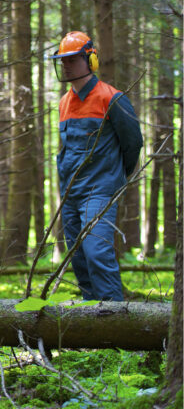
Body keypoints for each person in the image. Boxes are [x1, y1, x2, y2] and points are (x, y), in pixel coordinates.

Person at [51, 31, 142, 301]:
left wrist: (114, 177)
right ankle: (92, 323)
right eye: (63, 60)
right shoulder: (64, 102)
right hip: (70, 192)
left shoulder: (111, 98)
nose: (66, 65)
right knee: (77, 255)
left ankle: (114, 318)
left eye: (72, 59)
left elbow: (133, 143)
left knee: (96, 251)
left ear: (90, 60)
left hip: (99, 190)